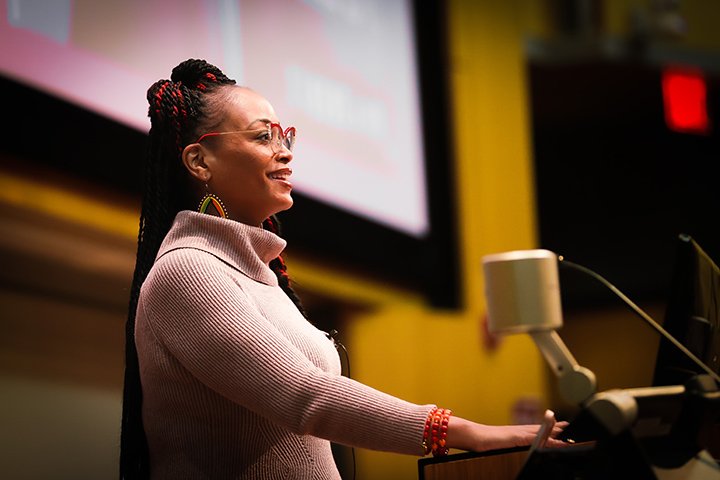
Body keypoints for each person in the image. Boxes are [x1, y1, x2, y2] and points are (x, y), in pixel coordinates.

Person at [120, 58, 566, 479]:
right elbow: (306, 395)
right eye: (262, 137)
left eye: (284, 136)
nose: (285, 153)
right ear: (200, 161)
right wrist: (471, 433)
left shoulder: (255, 273)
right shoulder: (188, 272)